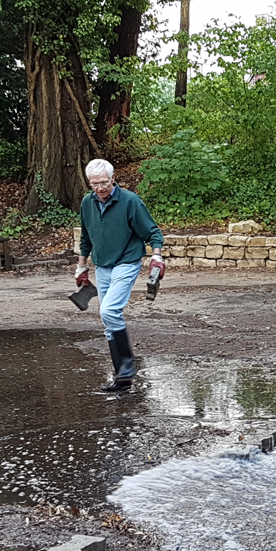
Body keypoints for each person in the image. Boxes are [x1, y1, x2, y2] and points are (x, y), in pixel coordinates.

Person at [75, 159, 165, 391]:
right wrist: (82, 267)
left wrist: (156, 256)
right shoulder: (87, 203)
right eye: (94, 184)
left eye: (104, 182)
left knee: (109, 310)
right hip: (102, 265)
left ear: (113, 179)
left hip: (127, 261)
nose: (100, 188)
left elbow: (152, 232)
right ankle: (122, 378)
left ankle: (126, 366)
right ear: (89, 183)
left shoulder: (130, 201)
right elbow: (85, 238)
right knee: (108, 320)